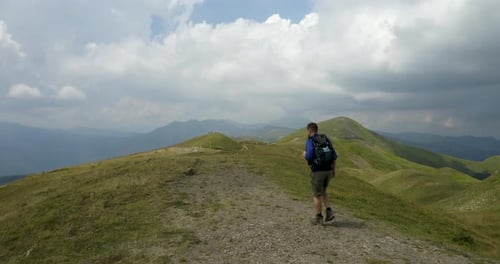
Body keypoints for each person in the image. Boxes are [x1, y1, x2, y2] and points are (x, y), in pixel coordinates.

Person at [302, 122, 337, 225]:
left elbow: (309, 156)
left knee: (317, 195)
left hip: (318, 171)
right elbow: (334, 156)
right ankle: (329, 211)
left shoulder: (311, 141)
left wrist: (304, 155)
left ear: (309, 130)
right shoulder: (325, 139)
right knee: (324, 191)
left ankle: (319, 217)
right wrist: (334, 170)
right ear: (317, 130)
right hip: (329, 170)